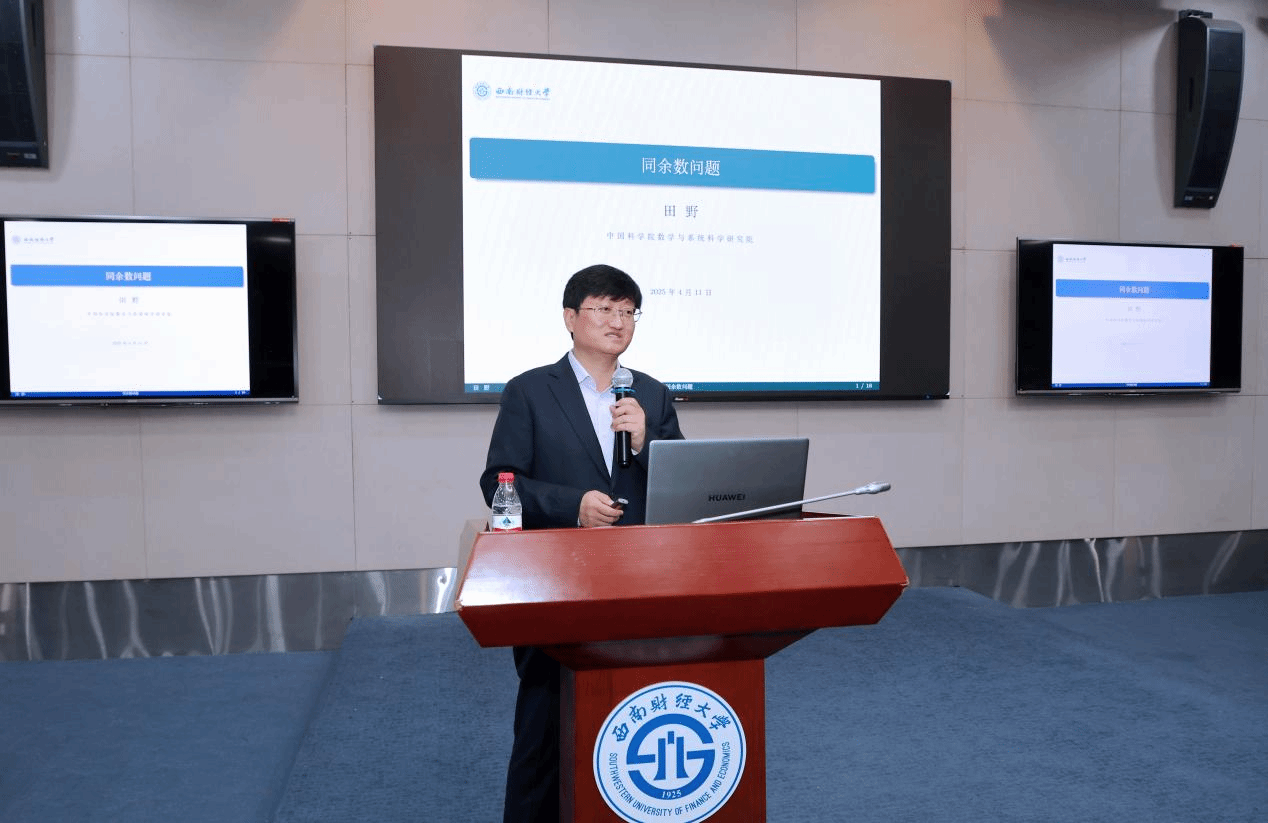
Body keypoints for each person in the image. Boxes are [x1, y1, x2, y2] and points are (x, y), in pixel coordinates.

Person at [479, 263, 684, 823]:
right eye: (604, 309)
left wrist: (645, 441)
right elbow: (499, 481)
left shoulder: (651, 394)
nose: (618, 322)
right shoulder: (529, 391)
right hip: (557, 576)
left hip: (639, 577)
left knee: (634, 707)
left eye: (628, 311)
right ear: (570, 318)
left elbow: (682, 483)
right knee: (546, 719)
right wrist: (572, 505)